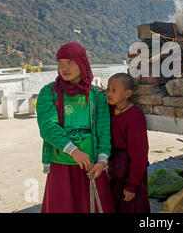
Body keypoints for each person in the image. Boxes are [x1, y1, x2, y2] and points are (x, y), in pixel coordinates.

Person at [36, 42, 115, 213]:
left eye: (70, 62)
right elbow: (48, 128)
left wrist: (102, 161)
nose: (64, 68)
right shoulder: (48, 93)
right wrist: (73, 151)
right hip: (62, 164)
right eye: (60, 63)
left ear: (82, 63)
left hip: (92, 166)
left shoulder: (97, 96)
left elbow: (103, 131)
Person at [105, 73, 150, 213]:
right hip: (115, 168)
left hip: (129, 171)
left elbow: (139, 156)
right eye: (108, 89)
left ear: (127, 93)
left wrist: (132, 185)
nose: (108, 93)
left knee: (131, 206)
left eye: (114, 90)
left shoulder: (134, 118)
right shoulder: (112, 109)